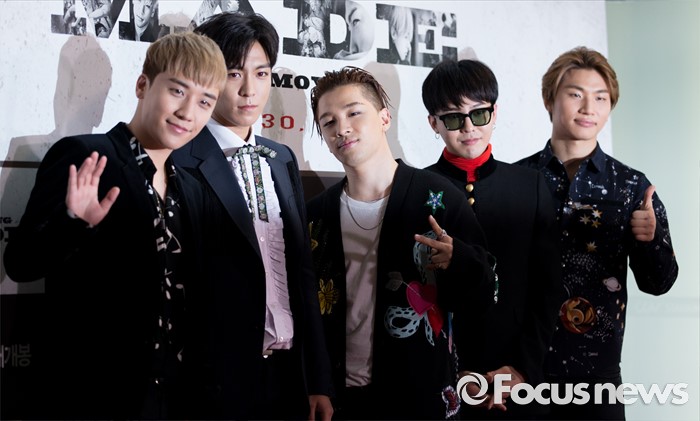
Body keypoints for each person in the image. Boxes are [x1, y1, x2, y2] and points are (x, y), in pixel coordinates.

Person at [3, 32, 227, 419]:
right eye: (177, 91)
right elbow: (21, 263)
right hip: (93, 394)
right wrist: (74, 222)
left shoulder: (192, 187)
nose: (188, 111)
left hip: (173, 398)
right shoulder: (87, 156)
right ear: (142, 85)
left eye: (205, 101)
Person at [307, 66, 496, 420]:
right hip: (340, 399)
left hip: (420, 396)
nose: (341, 128)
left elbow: (486, 292)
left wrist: (457, 260)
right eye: (328, 122)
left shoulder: (439, 197)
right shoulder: (315, 215)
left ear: (384, 118)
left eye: (353, 113)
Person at [171, 12, 334, 420]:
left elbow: (303, 272)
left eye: (261, 74)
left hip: (287, 376)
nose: (250, 90)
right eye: (234, 74)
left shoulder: (281, 158)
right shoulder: (178, 160)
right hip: (215, 381)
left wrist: (317, 379)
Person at [516, 46, 679, 420]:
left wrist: (650, 241)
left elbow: (659, 283)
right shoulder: (517, 180)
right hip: (523, 372)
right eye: (575, 94)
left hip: (597, 380)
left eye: (601, 98)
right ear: (549, 100)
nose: (589, 107)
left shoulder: (632, 186)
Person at [421, 58, 563, 419]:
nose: (469, 127)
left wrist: (521, 370)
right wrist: (451, 373)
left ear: (495, 113)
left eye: (479, 114)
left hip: (519, 380)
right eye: (454, 118)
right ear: (434, 123)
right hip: (444, 379)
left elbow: (548, 289)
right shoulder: (417, 188)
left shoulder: (530, 186)